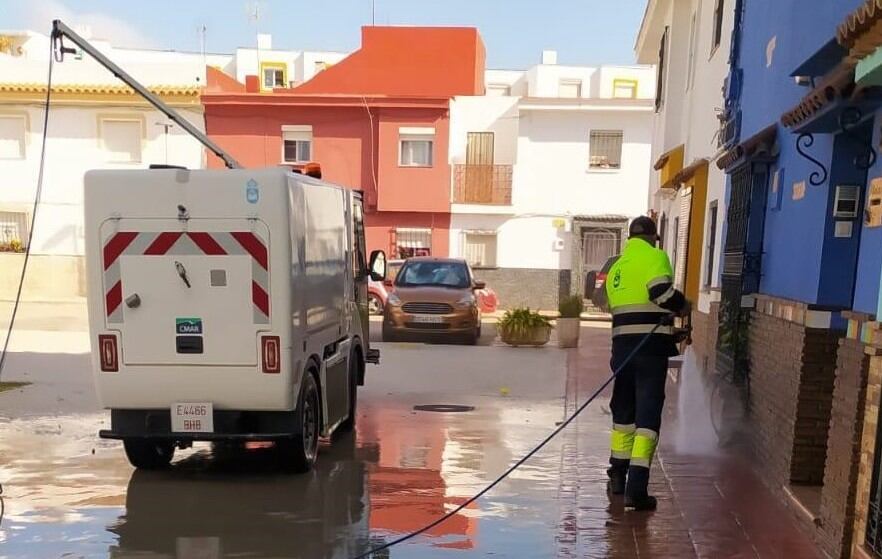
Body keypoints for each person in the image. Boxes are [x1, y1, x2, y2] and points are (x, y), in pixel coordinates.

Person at [605, 216, 689, 511]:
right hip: (649, 353)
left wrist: (664, 328)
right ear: (653, 237)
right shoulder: (656, 257)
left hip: (622, 352)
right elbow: (659, 293)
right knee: (647, 420)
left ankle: (617, 475)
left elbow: (627, 310)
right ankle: (636, 490)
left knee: (623, 415)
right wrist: (682, 305)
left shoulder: (617, 267)